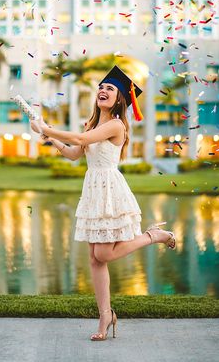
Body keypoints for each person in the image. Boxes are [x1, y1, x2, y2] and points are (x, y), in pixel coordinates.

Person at [30, 65, 176, 341]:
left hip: (110, 189)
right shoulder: (92, 123)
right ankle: (105, 316)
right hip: (93, 190)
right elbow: (75, 153)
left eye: (110, 88)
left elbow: (82, 140)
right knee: (95, 260)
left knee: (105, 255)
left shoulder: (115, 124)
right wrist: (50, 139)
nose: (102, 90)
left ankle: (154, 236)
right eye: (101, 87)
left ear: (121, 98)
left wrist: (47, 126)